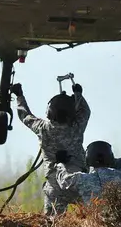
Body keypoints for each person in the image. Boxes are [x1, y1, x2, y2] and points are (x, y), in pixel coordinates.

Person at [10, 80, 90, 215]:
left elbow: (25, 116)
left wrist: (19, 96)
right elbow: (85, 111)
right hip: (77, 183)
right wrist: (78, 95)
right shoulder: (77, 127)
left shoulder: (43, 128)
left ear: (49, 112)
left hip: (55, 185)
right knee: (92, 218)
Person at [54, 140, 121, 206]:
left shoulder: (82, 179)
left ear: (88, 160)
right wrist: (111, 160)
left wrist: (60, 164)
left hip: (94, 222)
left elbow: (63, 180)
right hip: (117, 222)